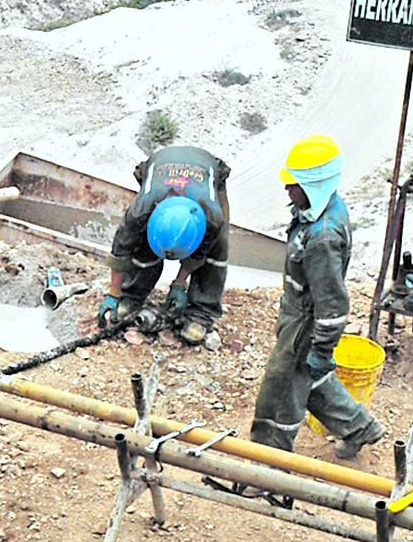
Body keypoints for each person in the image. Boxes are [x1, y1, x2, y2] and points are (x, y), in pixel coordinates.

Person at [249, 134, 386, 458]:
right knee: (308, 378)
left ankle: (267, 464)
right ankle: (359, 428)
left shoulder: (322, 236)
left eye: (293, 184)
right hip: (296, 315)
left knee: (280, 392)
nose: (286, 190)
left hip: (305, 325)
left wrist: (321, 348)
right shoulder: (321, 209)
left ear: (312, 186)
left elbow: (333, 303)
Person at [98, 145, 232, 347]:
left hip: (206, 171)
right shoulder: (140, 211)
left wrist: (179, 283)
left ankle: (201, 312)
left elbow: (199, 254)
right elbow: (121, 252)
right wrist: (114, 293)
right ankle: (132, 295)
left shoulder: (211, 217)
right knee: (140, 243)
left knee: (217, 248)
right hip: (159, 167)